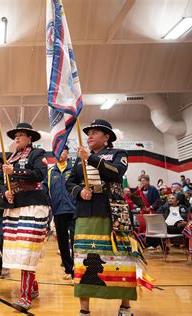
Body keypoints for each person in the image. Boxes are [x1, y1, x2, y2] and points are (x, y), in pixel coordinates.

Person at [65, 119, 136, 316]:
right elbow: (69, 182)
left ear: (107, 138)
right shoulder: (78, 159)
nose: (90, 135)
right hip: (86, 214)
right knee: (83, 258)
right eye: (89, 132)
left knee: (120, 258)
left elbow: (116, 173)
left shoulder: (118, 154)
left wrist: (92, 158)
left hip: (112, 213)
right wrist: (79, 191)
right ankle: (84, 309)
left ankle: (125, 306)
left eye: (95, 132)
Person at [1, 122, 50, 311]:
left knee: (28, 249)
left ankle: (26, 296)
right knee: (19, 249)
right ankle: (33, 286)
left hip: (33, 205)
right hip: (15, 206)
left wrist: (16, 172)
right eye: (15, 136)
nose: (17, 138)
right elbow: (4, 182)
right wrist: (6, 191)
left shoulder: (37, 154)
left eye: (21, 135)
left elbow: (39, 174)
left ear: (30, 138)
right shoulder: (11, 157)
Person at [43, 145, 76, 283]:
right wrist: (50, 203)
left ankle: (77, 270)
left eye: (62, 150)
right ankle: (68, 270)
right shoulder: (51, 172)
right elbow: (45, 189)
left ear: (68, 153)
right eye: (57, 151)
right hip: (58, 211)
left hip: (74, 210)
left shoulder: (74, 169)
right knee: (62, 243)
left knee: (76, 242)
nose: (60, 153)